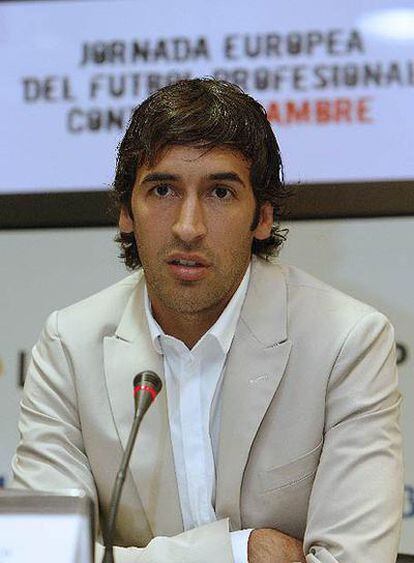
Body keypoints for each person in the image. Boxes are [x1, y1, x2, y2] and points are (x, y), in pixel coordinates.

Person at [12, 78, 403, 563]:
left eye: (219, 192)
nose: (188, 226)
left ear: (262, 217)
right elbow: (40, 556)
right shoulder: (70, 345)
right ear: (126, 213)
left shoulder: (347, 341)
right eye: (162, 190)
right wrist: (240, 552)